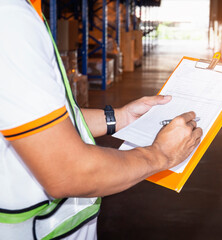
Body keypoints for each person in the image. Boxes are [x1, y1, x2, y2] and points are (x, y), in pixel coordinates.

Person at [0, 0, 203, 239]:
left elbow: (36, 121)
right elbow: (69, 172)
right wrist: (160, 154)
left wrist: (121, 117)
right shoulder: (10, 19)